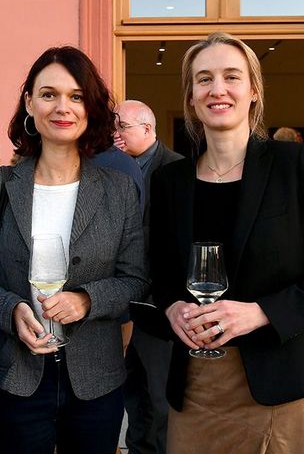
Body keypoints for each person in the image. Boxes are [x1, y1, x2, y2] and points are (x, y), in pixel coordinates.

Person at [0, 46, 147, 454]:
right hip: (17, 379)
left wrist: (87, 300)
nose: (63, 107)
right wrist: (11, 309)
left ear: (90, 107)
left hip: (96, 382)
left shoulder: (118, 189)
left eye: (76, 96)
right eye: (49, 94)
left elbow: (136, 280)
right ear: (29, 103)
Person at [149, 32, 304, 453]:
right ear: (192, 97)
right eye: (204, 79)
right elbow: (159, 274)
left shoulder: (294, 167)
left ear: (253, 91)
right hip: (195, 388)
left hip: (278, 384)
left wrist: (261, 312)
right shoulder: (169, 182)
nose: (218, 89)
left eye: (231, 77)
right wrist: (171, 306)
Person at [114, 100, 182, 454]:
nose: (116, 134)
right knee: (131, 391)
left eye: (122, 126)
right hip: (119, 301)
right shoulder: (112, 168)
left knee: (158, 396)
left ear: (147, 129)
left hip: (158, 302)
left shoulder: (176, 170)